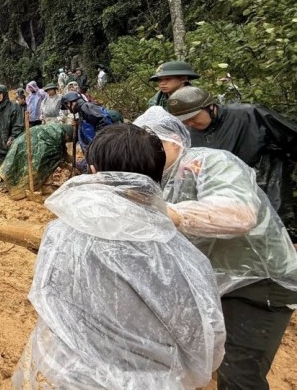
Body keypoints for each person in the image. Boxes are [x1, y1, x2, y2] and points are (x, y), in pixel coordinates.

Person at [13, 124, 224, 389]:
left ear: (94, 172)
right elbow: (207, 342)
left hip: (70, 377)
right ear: (157, 175)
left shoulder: (61, 234)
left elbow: (49, 300)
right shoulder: (183, 255)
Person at [133, 107, 297, 389]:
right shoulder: (158, 178)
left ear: (175, 141)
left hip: (259, 283)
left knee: (240, 373)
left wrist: (173, 214)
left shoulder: (210, 162)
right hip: (214, 281)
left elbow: (240, 214)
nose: (148, 154)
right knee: (199, 353)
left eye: (154, 145)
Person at [167, 86, 297, 240]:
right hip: (223, 195)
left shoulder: (249, 115)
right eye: (184, 120)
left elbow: (291, 138)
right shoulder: (187, 133)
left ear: (210, 107)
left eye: (193, 117)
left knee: (275, 235)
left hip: (267, 185)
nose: (190, 123)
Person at [0, 124, 74, 199]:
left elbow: (64, 154)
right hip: (27, 146)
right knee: (47, 163)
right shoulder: (56, 137)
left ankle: (41, 186)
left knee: (47, 162)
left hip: (24, 142)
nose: (68, 141)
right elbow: (57, 158)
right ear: (67, 135)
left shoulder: (58, 132)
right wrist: (69, 167)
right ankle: (43, 187)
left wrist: (73, 161)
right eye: (69, 140)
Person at [0, 85, 24, 193]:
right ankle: (4, 182)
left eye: (0, 94)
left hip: (11, 141)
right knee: (2, 162)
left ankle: (14, 184)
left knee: (12, 162)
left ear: (5, 94)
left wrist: (13, 137)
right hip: (0, 142)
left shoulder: (14, 107)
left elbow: (18, 125)